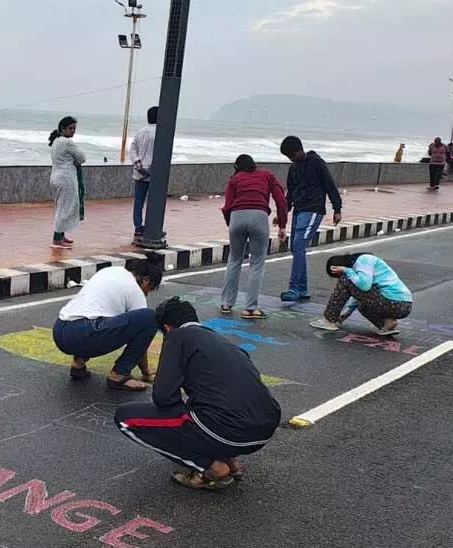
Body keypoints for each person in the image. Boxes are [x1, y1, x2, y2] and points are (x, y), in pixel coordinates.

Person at [113, 297, 281, 491]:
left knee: (126, 418)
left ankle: (210, 467)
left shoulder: (178, 337)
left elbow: (163, 396)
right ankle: (230, 460)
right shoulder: (221, 341)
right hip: (264, 430)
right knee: (208, 407)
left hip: (230, 431)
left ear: (167, 328)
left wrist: (183, 422)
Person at [52, 253, 164, 391]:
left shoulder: (111, 271)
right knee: (150, 318)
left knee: (98, 316)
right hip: (84, 334)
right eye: (150, 289)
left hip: (60, 329)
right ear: (146, 280)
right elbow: (140, 331)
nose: (147, 294)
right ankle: (120, 374)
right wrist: (146, 370)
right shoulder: (136, 291)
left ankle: (78, 364)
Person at [219, 154, 287, 320]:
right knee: (256, 262)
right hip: (259, 216)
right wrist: (283, 224)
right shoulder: (267, 175)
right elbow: (280, 199)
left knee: (234, 259)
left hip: (236, 216)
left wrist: (232, 224)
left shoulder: (234, 179)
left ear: (237, 167)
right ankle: (249, 309)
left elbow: (227, 206)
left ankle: (226, 303)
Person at [279, 135, 343, 303]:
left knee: (299, 244)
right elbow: (290, 193)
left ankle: (293, 287)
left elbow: (330, 185)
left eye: (293, 155)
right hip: (299, 209)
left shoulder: (317, 163)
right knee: (296, 248)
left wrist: (337, 208)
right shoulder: (294, 168)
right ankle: (302, 288)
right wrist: (283, 213)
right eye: (289, 157)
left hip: (313, 209)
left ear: (300, 150)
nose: (292, 159)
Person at [308, 253, 413, 336]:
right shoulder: (364, 264)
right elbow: (364, 294)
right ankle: (387, 323)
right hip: (404, 305)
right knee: (362, 306)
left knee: (345, 279)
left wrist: (346, 271)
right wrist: (347, 312)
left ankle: (329, 320)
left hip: (391, 301)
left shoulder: (363, 260)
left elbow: (364, 286)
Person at [49, 116, 86, 249]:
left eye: (74, 128)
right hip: (66, 179)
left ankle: (61, 236)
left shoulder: (56, 141)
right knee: (65, 208)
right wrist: (75, 161)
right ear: (62, 128)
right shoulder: (67, 142)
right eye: (70, 128)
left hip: (56, 177)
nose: (73, 131)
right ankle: (57, 240)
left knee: (62, 207)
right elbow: (82, 157)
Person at [130, 106, 158, 243]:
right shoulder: (159, 133)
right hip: (153, 173)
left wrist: (138, 164)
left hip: (139, 171)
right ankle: (152, 226)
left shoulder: (139, 132)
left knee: (138, 201)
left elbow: (133, 149)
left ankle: (138, 226)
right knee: (154, 202)